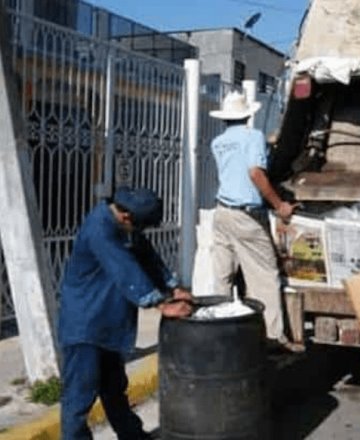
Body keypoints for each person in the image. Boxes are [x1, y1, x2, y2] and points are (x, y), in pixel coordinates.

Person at [58, 187, 193, 439]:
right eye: (140, 227)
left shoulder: (124, 225)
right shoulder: (100, 230)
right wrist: (162, 304)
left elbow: (146, 255)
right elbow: (125, 269)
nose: (141, 233)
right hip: (85, 325)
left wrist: (172, 287)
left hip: (107, 320)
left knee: (114, 389)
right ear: (127, 217)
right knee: (79, 398)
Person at [208, 91, 298, 350]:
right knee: (264, 275)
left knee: (223, 275)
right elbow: (255, 174)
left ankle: (220, 333)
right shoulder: (253, 136)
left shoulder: (218, 142)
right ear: (248, 115)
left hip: (222, 212)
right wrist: (280, 205)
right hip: (246, 216)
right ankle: (272, 337)